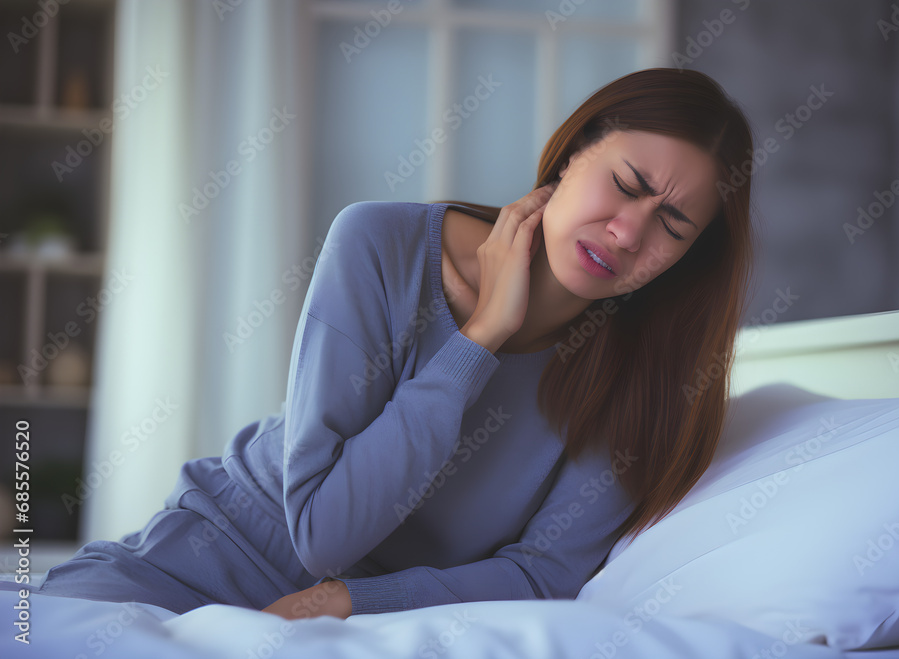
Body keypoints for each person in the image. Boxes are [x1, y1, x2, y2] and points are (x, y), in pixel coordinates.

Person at [30, 67, 758, 620]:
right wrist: (479, 340)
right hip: (205, 558)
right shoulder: (382, 243)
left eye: (672, 226)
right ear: (571, 156)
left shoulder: (646, 383)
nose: (630, 232)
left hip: (351, 616)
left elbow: (543, 574)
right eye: (626, 183)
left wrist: (353, 602)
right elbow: (322, 531)